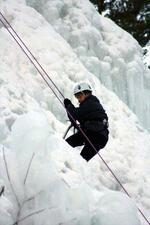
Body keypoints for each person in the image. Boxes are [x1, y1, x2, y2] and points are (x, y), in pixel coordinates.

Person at [64, 82, 109, 162]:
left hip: (93, 133)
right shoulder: (93, 104)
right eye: (76, 96)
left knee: (66, 144)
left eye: (79, 96)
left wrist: (68, 105)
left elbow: (74, 114)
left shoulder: (90, 103)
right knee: (82, 160)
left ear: (86, 94)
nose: (78, 99)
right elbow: (77, 118)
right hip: (100, 136)